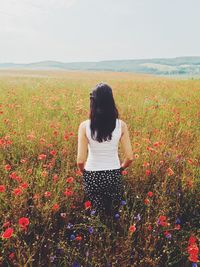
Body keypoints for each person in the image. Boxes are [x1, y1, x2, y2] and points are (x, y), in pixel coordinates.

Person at [77, 82, 133, 220]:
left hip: (92, 174)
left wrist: (84, 172)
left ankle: (97, 234)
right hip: (113, 173)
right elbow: (130, 157)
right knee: (113, 212)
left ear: (93, 102)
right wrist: (120, 169)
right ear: (111, 101)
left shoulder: (85, 126)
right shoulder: (121, 125)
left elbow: (80, 160)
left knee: (97, 212)